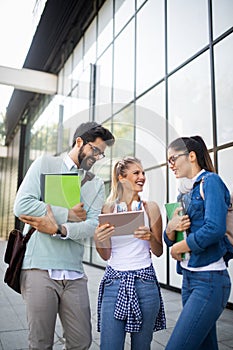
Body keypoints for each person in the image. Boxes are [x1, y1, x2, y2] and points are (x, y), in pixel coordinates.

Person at [14, 121, 115, 350]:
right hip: (39, 267)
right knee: (40, 343)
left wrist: (59, 228)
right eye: (95, 150)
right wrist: (67, 213)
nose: (97, 157)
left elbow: (90, 226)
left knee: (82, 342)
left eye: (101, 154)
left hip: (74, 272)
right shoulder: (45, 163)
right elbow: (22, 206)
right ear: (79, 142)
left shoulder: (96, 183)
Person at [164, 135, 232, 350]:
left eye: (173, 159)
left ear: (191, 156)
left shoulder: (210, 181)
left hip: (210, 279)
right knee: (205, 346)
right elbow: (170, 240)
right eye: (168, 161)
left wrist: (180, 247)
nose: (171, 165)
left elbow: (215, 228)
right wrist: (171, 227)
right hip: (189, 279)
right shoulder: (184, 192)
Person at [94, 156, 166, 350]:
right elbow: (105, 255)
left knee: (142, 347)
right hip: (114, 284)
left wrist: (150, 237)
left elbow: (158, 251)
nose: (142, 176)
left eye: (143, 173)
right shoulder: (108, 209)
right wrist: (98, 239)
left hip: (145, 283)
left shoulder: (150, 208)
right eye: (136, 173)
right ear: (121, 178)